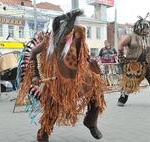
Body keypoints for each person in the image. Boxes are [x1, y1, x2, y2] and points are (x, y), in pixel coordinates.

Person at [15, 9, 107, 142]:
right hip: (57, 81)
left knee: (96, 92)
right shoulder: (49, 39)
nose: (62, 39)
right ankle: (43, 135)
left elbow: (82, 51)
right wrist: (34, 75)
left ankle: (91, 123)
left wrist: (89, 59)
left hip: (78, 77)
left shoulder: (79, 32)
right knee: (52, 109)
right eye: (59, 36)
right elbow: (33, 53)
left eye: (65, 36)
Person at [117, 12, 150, 107]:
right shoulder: (130, 36)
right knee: (129, 82)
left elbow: (148, 49)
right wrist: (121, 57)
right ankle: (122, 100)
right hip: (133, 63)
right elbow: (121, 45)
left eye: (145, 30)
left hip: (145, 63)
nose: (144, 32)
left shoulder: (146, 37)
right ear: (138, 28)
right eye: (142, 29)